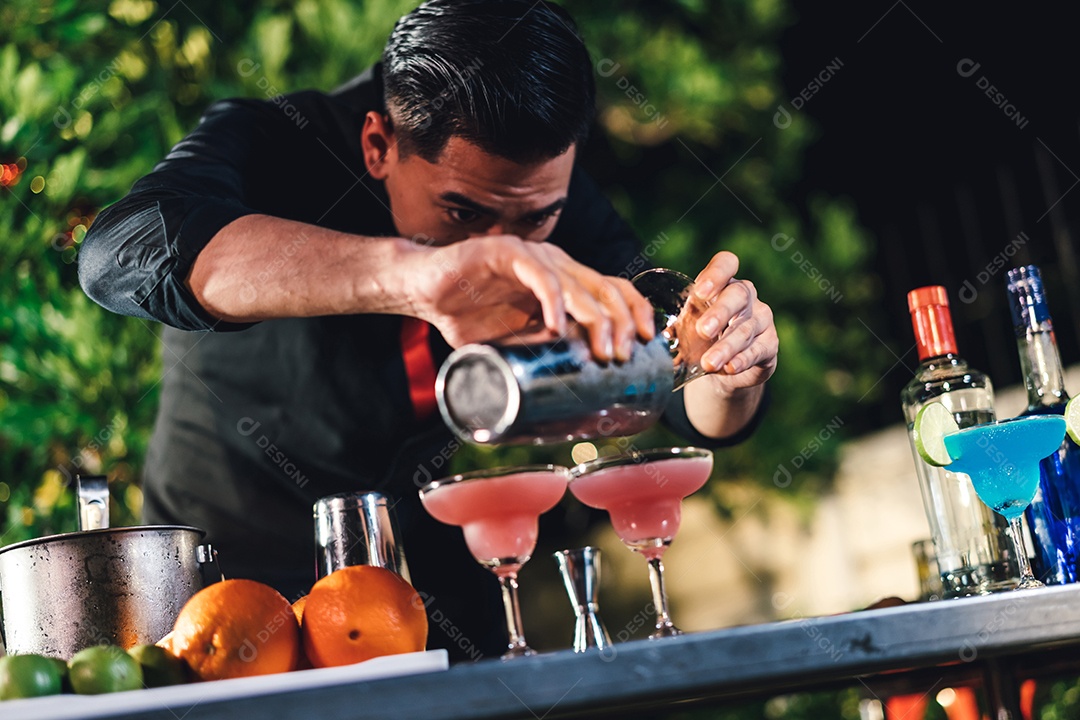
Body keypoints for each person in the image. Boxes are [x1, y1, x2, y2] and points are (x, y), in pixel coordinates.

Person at [78, 0, 778, 658]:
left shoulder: (545, 197)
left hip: (425, 582)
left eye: (536, 219)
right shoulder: (277, 143)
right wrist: (415, 277)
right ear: (379, 144)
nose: (511, 252)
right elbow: (119, 255)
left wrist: (731, 365)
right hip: (234, 585)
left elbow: (684, 391)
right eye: (464, 214)